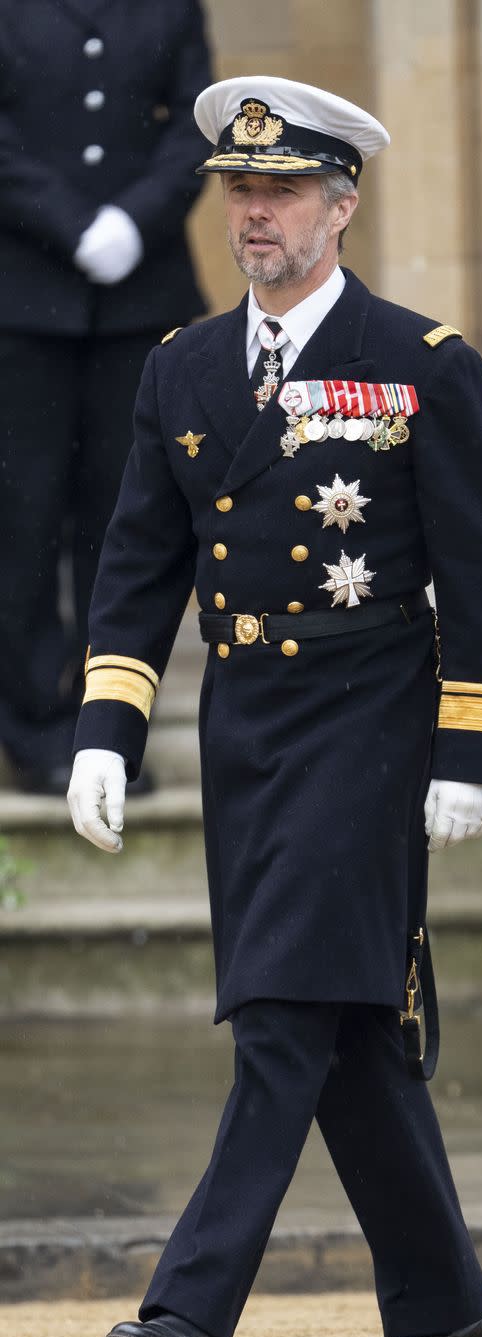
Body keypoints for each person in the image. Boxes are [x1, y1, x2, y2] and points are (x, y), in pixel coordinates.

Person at [66, 75, 482, 1337]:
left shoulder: (422, 360)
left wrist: (473, 749)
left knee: (278, 1011)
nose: (252, 214)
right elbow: (138, 561)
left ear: (342, 203)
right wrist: (106, 725)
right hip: (245, 731)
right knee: (348, 1030)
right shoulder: (182, 367)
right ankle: (445, 1310)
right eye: (236, 190)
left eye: (277, 192)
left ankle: (190, 1314)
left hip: (370, 723)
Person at [0, 0, 211, 793]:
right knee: (19, 521)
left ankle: (110, 727)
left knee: (127, 521)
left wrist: (135, 218)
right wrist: (71, 222)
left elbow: (198, 122)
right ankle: (33, 728)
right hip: (20, 299)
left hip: (139, 299)